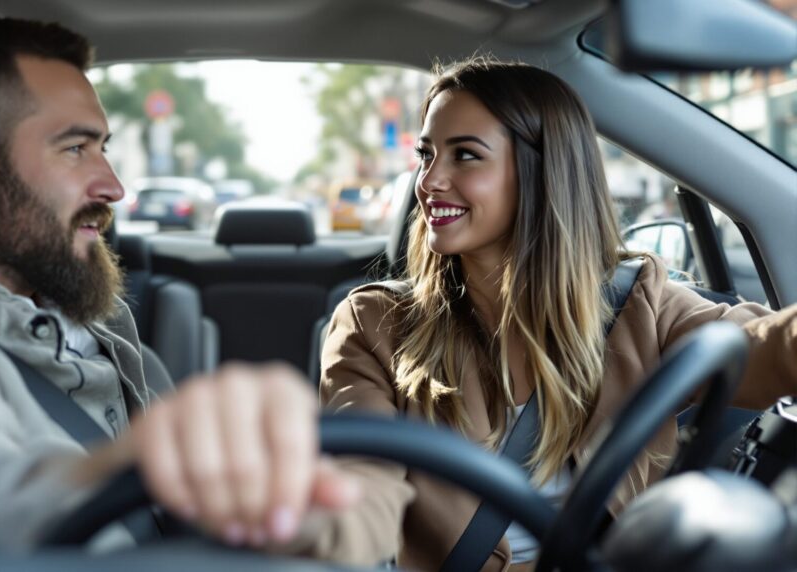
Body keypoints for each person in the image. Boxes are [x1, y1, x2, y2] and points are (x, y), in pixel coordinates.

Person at [0, 13, 360, 551]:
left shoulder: (47, 279)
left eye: (101, 148)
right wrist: (154, 459)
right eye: (76, 148)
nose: (113, 186)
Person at [318, 59, 797, 572]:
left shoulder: (638, 302)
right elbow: (359, 489)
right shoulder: (374, 324)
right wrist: (301, 521)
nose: (429, 180)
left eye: (465, 156)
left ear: (541, 172)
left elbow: (761, 346)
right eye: (427, 154)